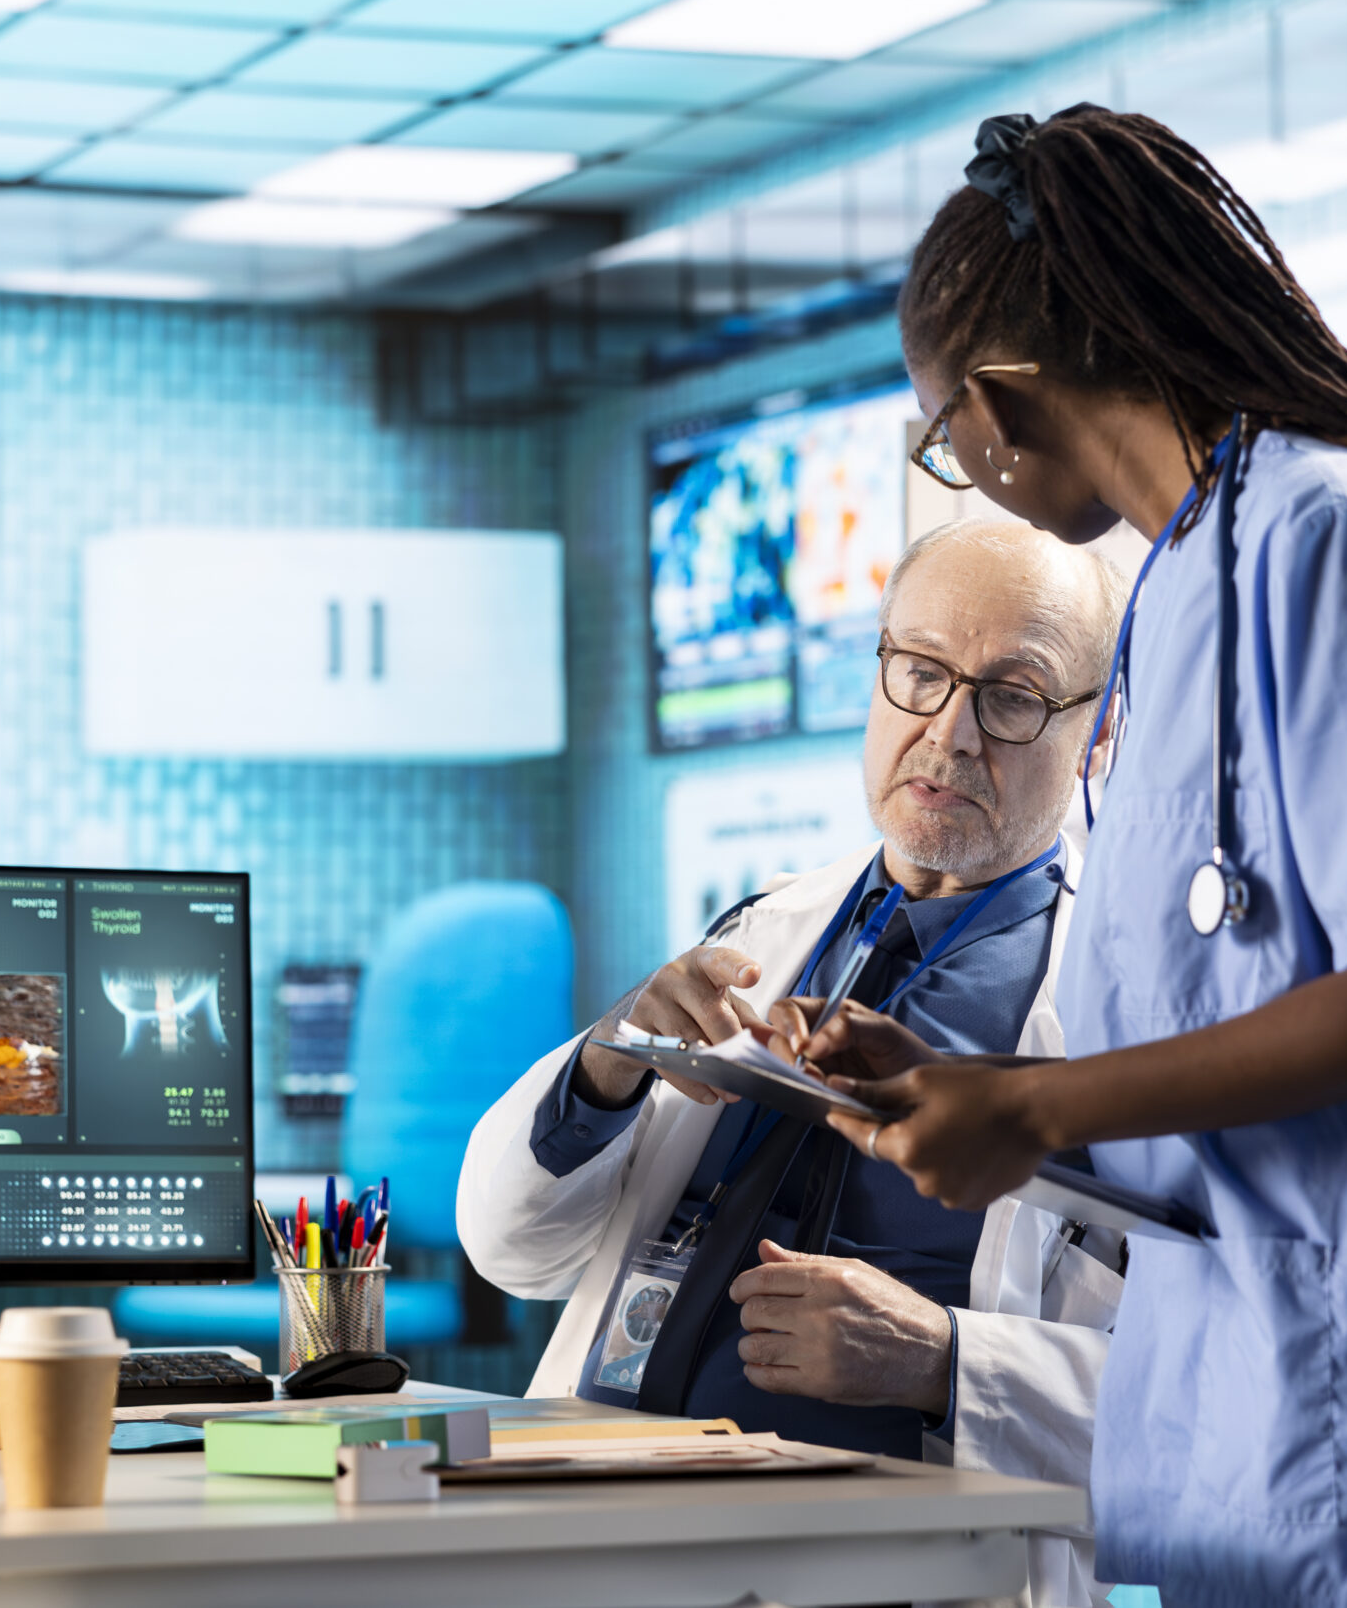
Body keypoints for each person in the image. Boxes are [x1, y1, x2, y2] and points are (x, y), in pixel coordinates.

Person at [815, 104, 1347, 1607]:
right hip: (1265, 1450)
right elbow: (1222, 1070)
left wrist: (1033, 1100)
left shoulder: (1332, 530)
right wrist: (981, 1107)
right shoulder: (1172, 592)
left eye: (939, 433)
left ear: (1000, 402)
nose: (964, 464)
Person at [461, 519, 1127, 1606]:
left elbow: (1226, 1397)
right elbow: (510, 1250)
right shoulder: (764, 929)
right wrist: (609, 1063)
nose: (950, 735)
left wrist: (943, 1359)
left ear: (1096, 735)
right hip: (622, 1536)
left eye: (1012, 697)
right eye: (920, 673)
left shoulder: (1130, 1017)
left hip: (911, 1572)